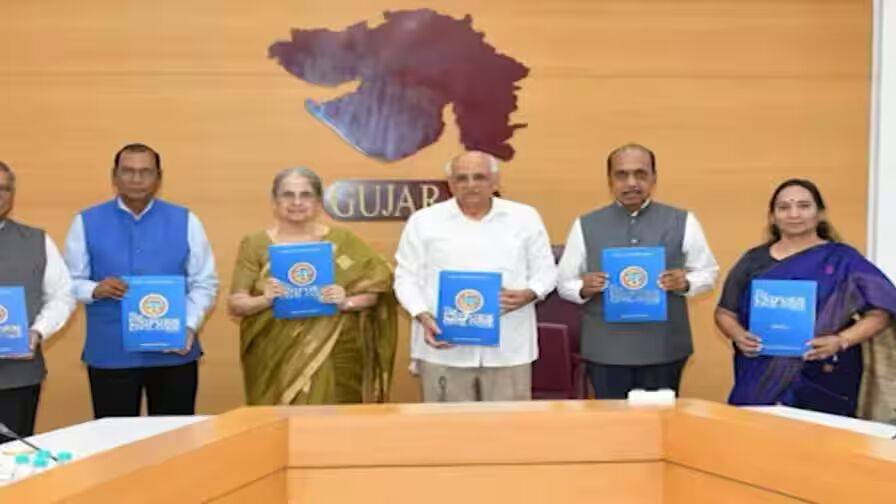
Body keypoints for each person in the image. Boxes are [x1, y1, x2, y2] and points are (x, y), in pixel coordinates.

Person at [715, 178, 896, 416]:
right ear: (772, 216)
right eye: (784, 207)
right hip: (761, 372)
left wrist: (841, 340)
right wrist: (738, 335)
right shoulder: (753, 260)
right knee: (757, 432)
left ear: (820, 213)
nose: (794, 214)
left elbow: (881, 312)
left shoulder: (843, 259)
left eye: (803, 206)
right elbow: (725, 312)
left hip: (827, 374)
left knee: (827, 437)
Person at [63, 143, 218, 418]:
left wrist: (188, 325)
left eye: (145, 172)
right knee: (115, 438)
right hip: (111, 353)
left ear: (159, 177)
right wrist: (95, 289)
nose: (136, 179)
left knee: (175, 437)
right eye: (128, 171)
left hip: (173, 351)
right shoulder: (85, 221)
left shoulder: (186, 220)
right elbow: (67, 282)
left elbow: (204, 282)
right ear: (114, 176)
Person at [557, 143, 719, 399]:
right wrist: (582, 288)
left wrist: (686, 282)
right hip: (606, 349)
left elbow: (708, 272)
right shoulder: (585, 224)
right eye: (622, 175)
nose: (631, 182)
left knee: (660, 420)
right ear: (610, 180)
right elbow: (564, 282)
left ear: (654, 178)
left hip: (664, 347)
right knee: (612, 420)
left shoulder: (683, 220)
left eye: (640, 174)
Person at [393, 151, 557, 402]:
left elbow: (546, 270)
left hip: (508, 347)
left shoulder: (524, 218)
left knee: (509, 424)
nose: (470, 185)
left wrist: (530, 293)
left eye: (479, 177)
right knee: (447, 425)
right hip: (444, 346)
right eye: (462, 178)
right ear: (450, 184)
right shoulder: (423, 221)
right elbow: (405, 277)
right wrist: (422, 315)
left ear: (495, 181)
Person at [228, 167, 397, 405]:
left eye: (305, 195)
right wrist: (264, 300)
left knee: (335, 421)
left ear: (318, 202)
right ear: (275, 200)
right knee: (279, 422)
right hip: (274, 355)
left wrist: (346, 301)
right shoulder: (255, 243)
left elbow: (375, 290)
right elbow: (236, 303)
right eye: (288, 194)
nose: (296, 202)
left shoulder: (343, 242)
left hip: (335, 352)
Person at [0, 161, 75, 441]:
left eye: (5, 188)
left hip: (17, 381)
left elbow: (62, 295)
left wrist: (37, 331)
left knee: (12, 457)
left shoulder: (36, 241)